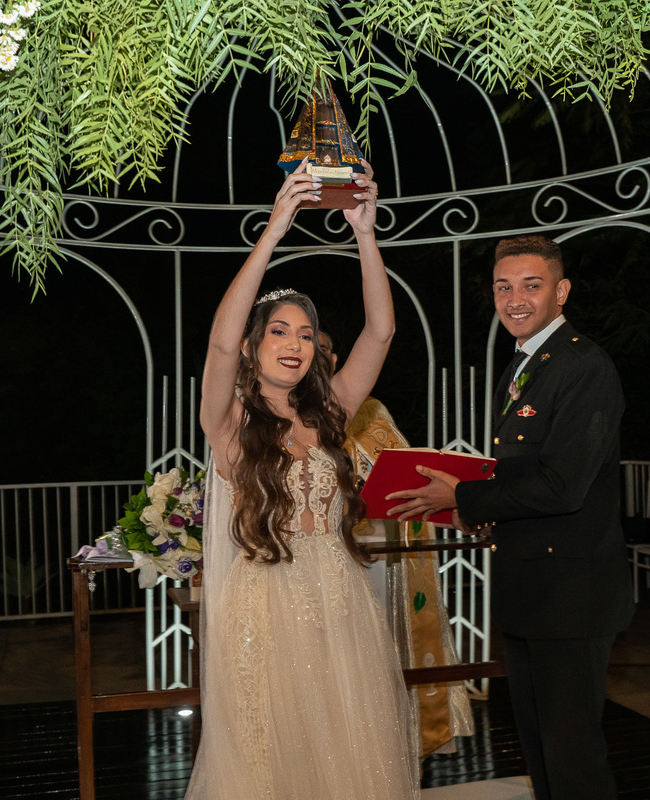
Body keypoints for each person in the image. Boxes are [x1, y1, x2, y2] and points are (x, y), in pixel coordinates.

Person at [187, 158, 419, 800]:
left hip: (341, 599)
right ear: (257, 342)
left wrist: (366, 235)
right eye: (279, 331)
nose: (294, 343)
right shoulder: (228, 422)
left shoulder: (333, 409)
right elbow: (217, 343)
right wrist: (274, 229)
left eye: (307, 334)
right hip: (265, 608)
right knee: (272, 757)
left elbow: (382, 330)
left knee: (347, 750)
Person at [384, 234, 633, 800]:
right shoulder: (526, 363)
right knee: (542, 751)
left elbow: (562, 487)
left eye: (531, 285)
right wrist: (474, 506)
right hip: (530, 589)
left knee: (573, 758)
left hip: (572, 594)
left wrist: (463, 498)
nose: (514, 299)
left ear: (561, 291)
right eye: (503, 287)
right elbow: (521, 475)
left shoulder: (583, 365)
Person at [319, 328, 476, 760]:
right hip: (316, 562)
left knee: (375, 656)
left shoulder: (369, 411)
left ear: (336, 361)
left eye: (325, 349)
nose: (315, 355)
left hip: (377, 558)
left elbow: (400, 472)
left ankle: (384, 746)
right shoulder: (276, 413)